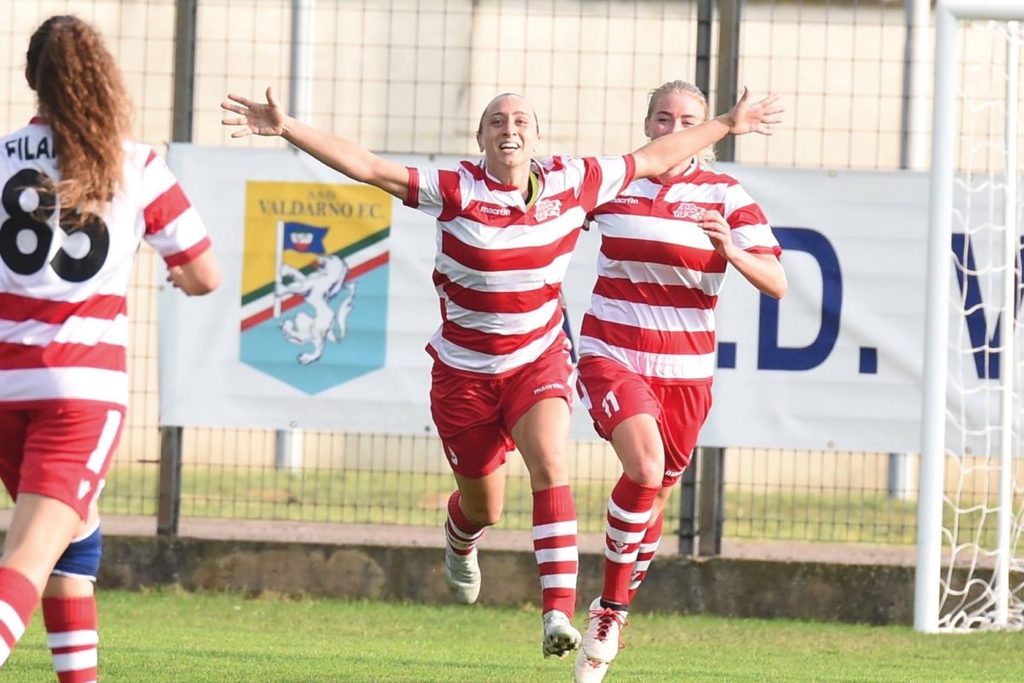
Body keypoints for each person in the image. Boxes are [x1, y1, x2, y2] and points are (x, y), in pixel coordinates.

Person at [221, 84, 780, 659]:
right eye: (495, 120)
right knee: (484, 505)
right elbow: (367, 166)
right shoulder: (455, 188)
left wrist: (727, 123)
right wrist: (289, 127)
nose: (508, 128)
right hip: (464, 373)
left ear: (537, 137)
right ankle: (461, 536)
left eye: (520, 120)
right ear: (481, 137)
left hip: (537, 361)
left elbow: (658, 157)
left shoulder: (575, 182)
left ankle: (558, 616)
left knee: (551, 460)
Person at [0, 15, 220, 680]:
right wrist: (176, 271)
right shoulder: (134, 164)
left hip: (6, 387)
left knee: (74, 534)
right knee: (30, 560)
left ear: (33, 80)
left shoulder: (2, 154)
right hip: (79, 394)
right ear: (101, 77)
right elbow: (205, 271)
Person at [572, 80, 787, 681]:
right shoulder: (614, 183)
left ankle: (615, 609)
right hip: (612, 352)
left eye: (685, 118)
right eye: (662, 118)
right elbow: (549, 209)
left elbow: (777, 282)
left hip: (687, 372)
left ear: (703, 130)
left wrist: (732, 250)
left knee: (655, 494)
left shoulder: (725, 194)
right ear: (646, 126)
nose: (672, 128)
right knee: (642, 468)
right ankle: (609, 610)